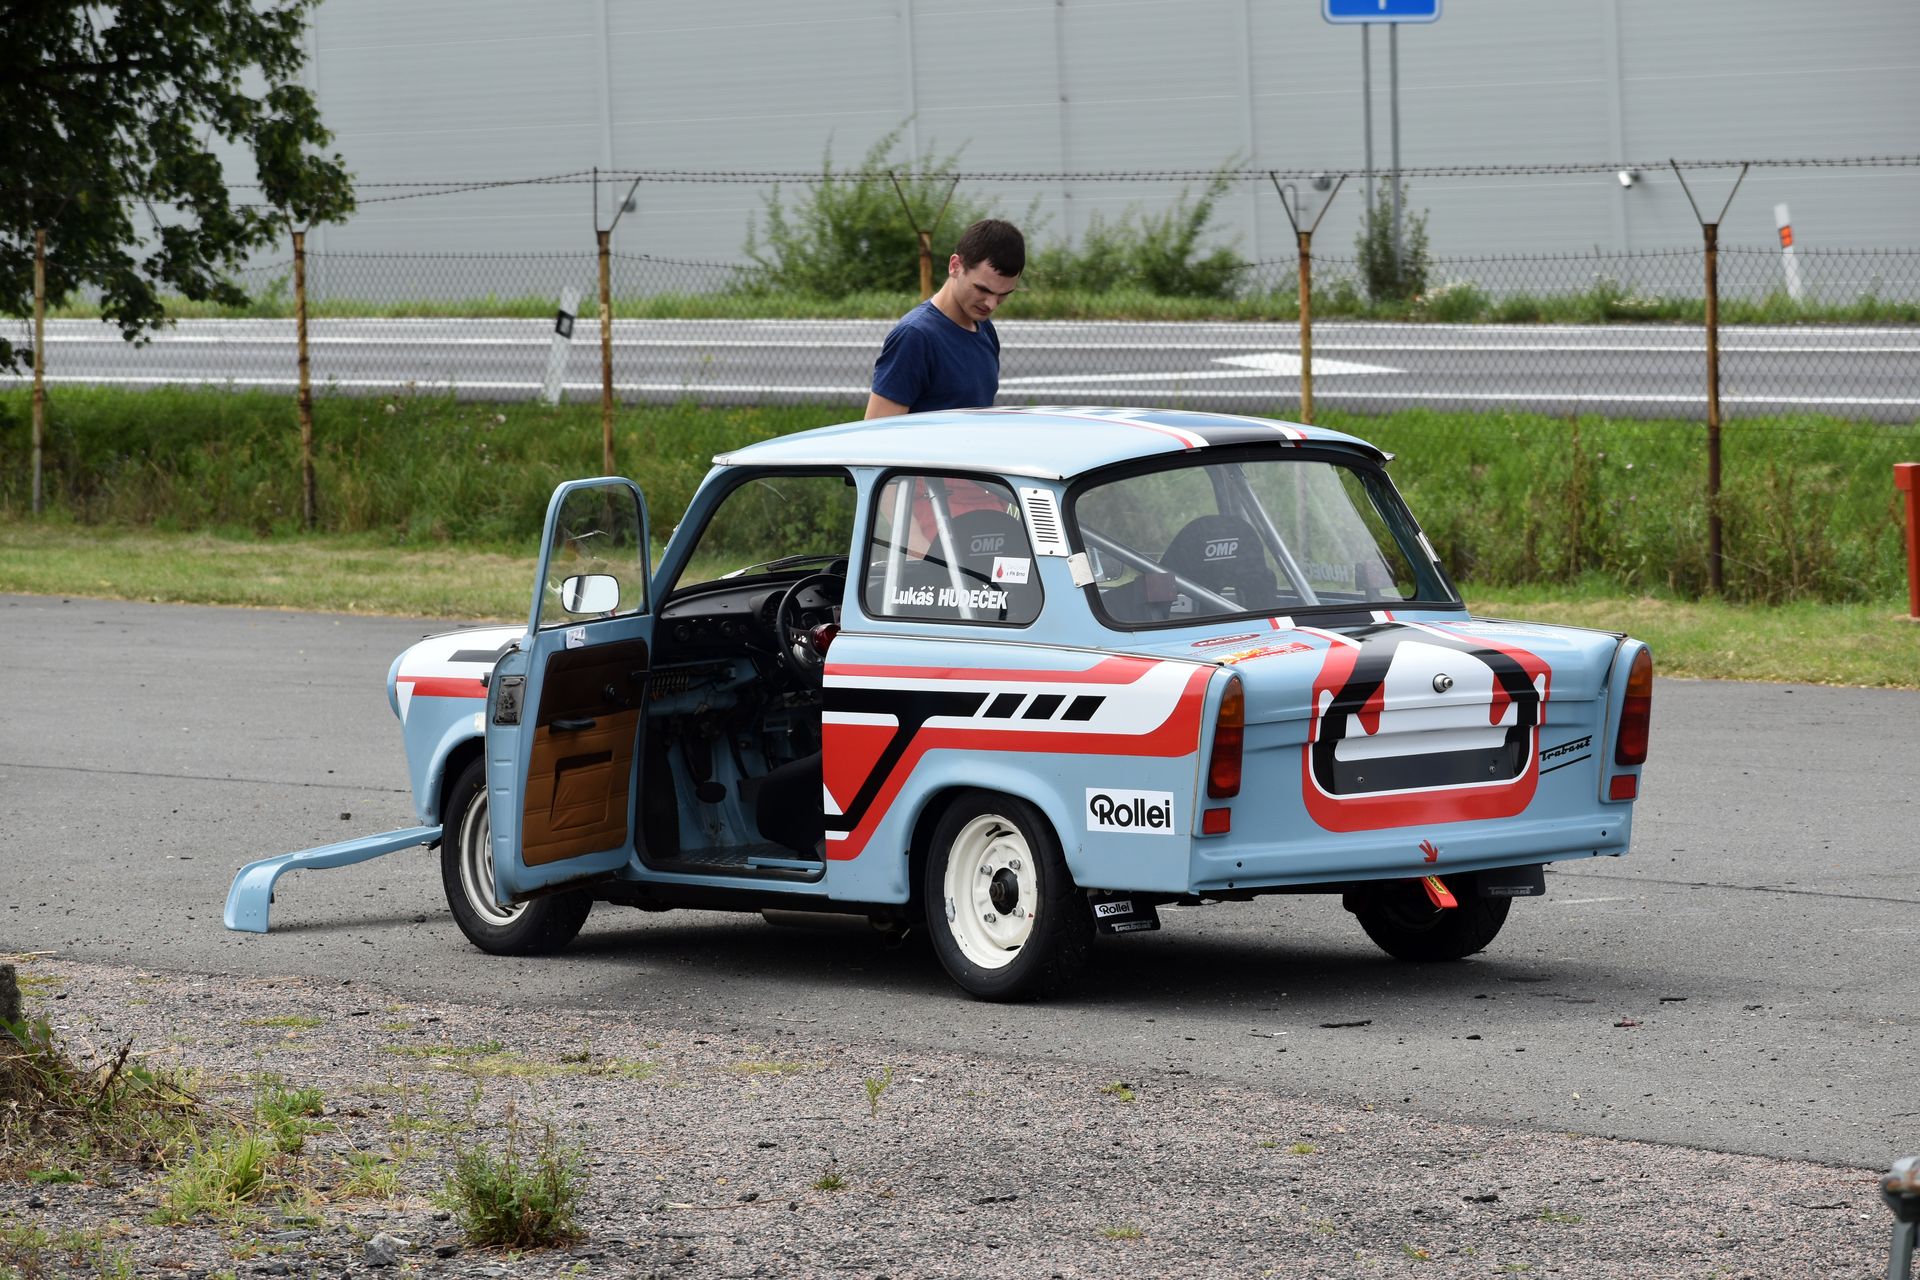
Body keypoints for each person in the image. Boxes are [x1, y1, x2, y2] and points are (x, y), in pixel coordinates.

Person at [865, 218, 1024, 419]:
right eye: (982, 289)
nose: (991, 304)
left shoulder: (985, 329)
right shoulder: (915, 337)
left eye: (1003, 294)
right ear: (955, 266)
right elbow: (878, 429)